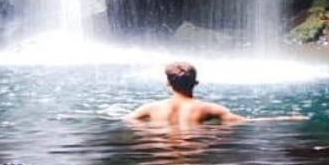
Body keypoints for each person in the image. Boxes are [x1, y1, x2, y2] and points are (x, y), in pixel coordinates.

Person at [127, 61, 307, 126]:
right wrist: (288, 118)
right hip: (194, 152)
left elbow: (126, 122)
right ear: (196, 83)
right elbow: (247, 122)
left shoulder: (149, 109)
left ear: (167, 83)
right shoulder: (209, 109)